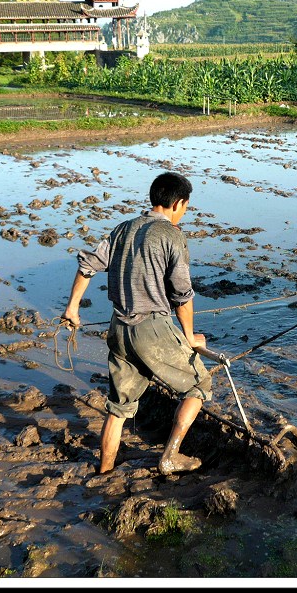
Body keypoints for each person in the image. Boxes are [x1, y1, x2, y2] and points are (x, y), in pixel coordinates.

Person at [61, 171, 212, 476]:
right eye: (185, 206)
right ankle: (170, 455)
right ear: (178, 203)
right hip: (151, 329)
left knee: (118, 407)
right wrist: (189, 338)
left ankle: (104, 471)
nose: (184, 211)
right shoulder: (172, 235)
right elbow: (182, 296)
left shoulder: (123, 229)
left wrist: (73, 308)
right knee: (199, 386)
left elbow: (88, 263)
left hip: (118, 328)